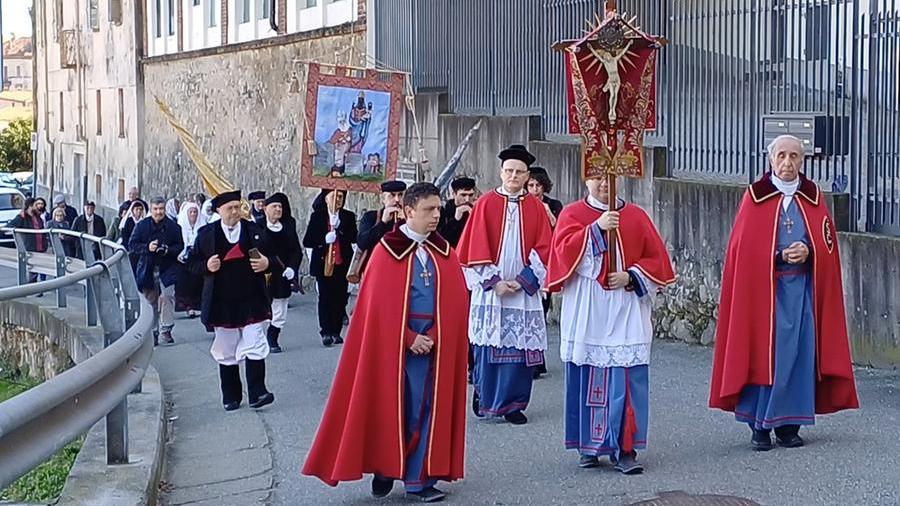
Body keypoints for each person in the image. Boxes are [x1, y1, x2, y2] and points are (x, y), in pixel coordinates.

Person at [302, 183, 468, 502]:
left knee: (426, 409)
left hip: (435, 344)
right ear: (409, 211)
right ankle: (385, 466)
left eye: (438, 209)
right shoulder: (386, 251)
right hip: (394, 347)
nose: (437, 215)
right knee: (393, 408)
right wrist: (408, 338)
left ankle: (419, 479)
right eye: (429, 210)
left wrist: (437, 335)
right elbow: (375, 311)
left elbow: (457, 301)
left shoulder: (444, 251)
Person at [709, 135, 859, 450]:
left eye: (794, 156)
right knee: (767, 355)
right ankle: (760, 426)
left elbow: (828, 245)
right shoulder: (756, 197)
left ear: (802, 161)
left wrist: (809, 251)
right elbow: (742, 250)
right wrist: (776, 255)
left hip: (802, 290)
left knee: (800, 355)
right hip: (766, 294)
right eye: (781, 156)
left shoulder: (813, 197)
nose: (787, 163)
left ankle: (789, 425)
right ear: (771, 159)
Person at [546, 175, 675, 474]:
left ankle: (624, 448)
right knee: (586, 373)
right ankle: (587, 445)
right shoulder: (572, 214)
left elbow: (657, 260)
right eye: (597, 178)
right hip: (588, 307)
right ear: (586, 179)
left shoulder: (636, 216)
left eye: (610, 178)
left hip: (625, 306)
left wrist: (631, 276)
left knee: (625, 378)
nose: (604, 184)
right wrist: (595, 229)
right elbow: (562, 255)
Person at [456, 144, 553, 425]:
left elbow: (544, 249)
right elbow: (473, 248)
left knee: (519, 353)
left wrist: (524, 281)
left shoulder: (536, 207)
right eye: (509, 170)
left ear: (527, 176)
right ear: (500, 172)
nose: (513, 176)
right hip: (492, 291)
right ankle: (486, 399)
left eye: (519, 172)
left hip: (522, 291)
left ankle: (514, 405)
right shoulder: (485, 203)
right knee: (488, 349)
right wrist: (494, 282)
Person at [188, 190, 277, 411]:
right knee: (226, 350)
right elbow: (191, 264)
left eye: (238, 207)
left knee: (255, 343)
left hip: (252, 299)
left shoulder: (253, 231)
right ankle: (231, 396)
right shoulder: (207, 235)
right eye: (230, 208)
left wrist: (267, 263)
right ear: (219, 210)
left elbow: (275, 256)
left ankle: (257, 393)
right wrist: (206, 266)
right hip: (222, 302)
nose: (235, 212)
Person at [303, 189, 357, 347]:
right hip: (324, 264)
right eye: (334, 196)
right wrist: (324, 240)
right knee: (325, 297)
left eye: (340, 197)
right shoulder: (318, 216)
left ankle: (336, 331)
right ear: (326, 199)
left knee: (340, 298)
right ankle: (326, 331)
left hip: (342, 264)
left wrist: (340, 230)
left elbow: (354, 237)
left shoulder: (348, 216)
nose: (337, 200)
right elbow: (309, 240)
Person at [129, 197, 184, 346]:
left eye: (161, 209)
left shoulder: (173, 227)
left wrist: (168, 250)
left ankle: (166, 329)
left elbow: (180, 246)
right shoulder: (142, 226)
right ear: (151, 210)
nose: (159, 212)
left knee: (167, 297)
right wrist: (147, 247)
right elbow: (132, 245)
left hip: (168, 267)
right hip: (148, 267)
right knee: (150, 301)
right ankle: (153, 331)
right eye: (156, 209)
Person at [257, 192, 302, 354]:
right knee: (260, 307)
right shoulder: (257, 226)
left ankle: (273, 337)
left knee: (280, 309)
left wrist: (292, 268)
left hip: (282, 274)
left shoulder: (288, 227)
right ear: (265, 209)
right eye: (274, 206)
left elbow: (296, 251)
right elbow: (252, 250)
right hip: (262, 273)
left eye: (280, 207)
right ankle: (257, 338)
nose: (278, 209)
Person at [355, 180, 407, 273]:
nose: (397, 200)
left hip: (401, 268)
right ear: (383, 199)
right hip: (376, 268)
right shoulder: (371, 216)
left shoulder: (410, 218)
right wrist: (382, 223)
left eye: (400, 195)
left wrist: (406, 222)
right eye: (392, 195)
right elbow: (362, 243)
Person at [8, 197, 48, 284]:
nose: (37, 207)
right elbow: (10, 226)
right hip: (31, 247)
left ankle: (36, 286)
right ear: (30, 206)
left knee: (40, 269)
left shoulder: (37, 217)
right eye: (35, 205)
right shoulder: (22, 218)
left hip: (40, 247)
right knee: (33, 270)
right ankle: (31, 287)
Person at [175, 202, 204, 317]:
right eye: (190, 212)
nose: (193, 214)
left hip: (197, 257)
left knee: (196, 283)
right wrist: (180, 253)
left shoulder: (202, 225)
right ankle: (187, 307)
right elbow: (178, 243)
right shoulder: (179, 227)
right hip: (183, 258)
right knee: (184, 284)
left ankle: (196, 306)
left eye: (195, 212)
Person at [438, 177, 477, 248]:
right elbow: (441, 239)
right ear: (454, 194)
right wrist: (456, 220)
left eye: (471, 195)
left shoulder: (477, 210)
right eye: (463, 195)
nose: (467, 199)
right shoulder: (443, 212)